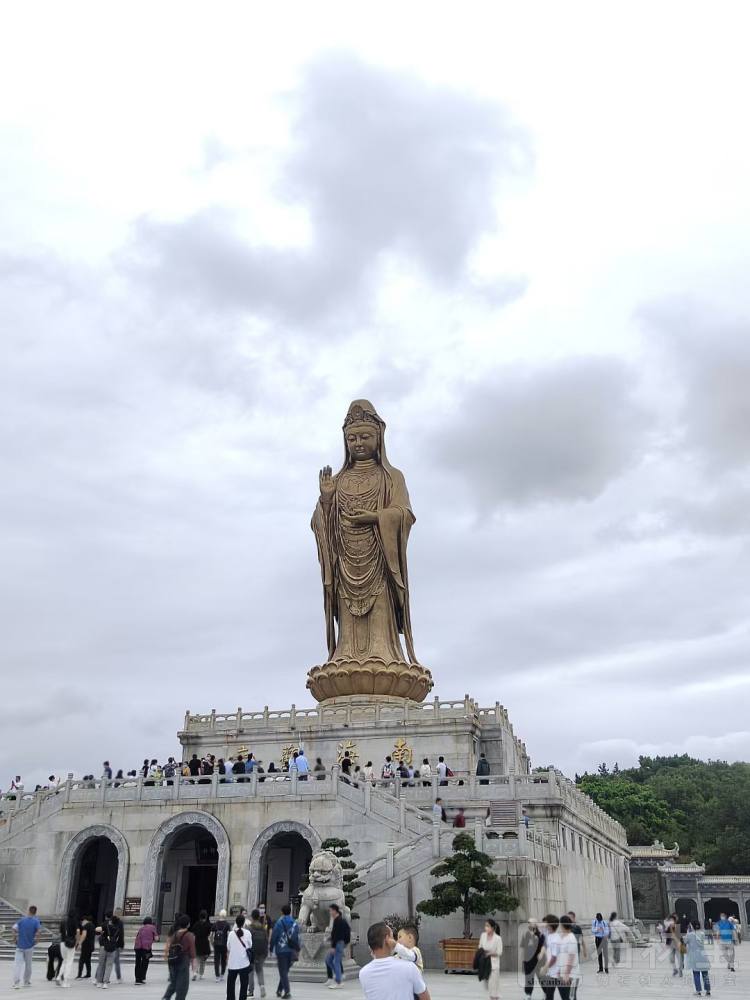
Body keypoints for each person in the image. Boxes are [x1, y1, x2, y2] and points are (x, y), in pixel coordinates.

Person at [359, 922, 430, 1000]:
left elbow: (410, 956)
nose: (396, 941)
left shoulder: (363, 973)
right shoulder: (409, 967)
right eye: (393, 937)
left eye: (399, 937)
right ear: (387, 940)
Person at [270, 903, 300, 1000]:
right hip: (292, 951)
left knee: (283, 972)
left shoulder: (279, 923)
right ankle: (279, 990)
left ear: (282, 912)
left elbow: (274, 936)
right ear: (290, 912)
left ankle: (287, 992)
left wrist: (271, 948)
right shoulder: (295, 923)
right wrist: (298, 949)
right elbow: (297, 937)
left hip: (281, 950)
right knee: (285, 971)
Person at [164, 913, 196, 1000]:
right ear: (188, 924)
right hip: (183, 961)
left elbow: (169, 945)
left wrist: (166, 954)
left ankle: (166, 997)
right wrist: (194, 967)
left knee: (173, 983)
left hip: (173, 960)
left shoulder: (175, 934)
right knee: (183, 986)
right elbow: (192, 952)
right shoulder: (189, 935)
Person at [12, 904, 41, 989]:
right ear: (35, 912)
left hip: (20, 945)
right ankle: (26, 981)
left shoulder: (21, 920)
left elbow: (14, 928)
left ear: (29, 911)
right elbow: (39, 931)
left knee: (18, 965)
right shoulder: (36, 921)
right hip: (29, 946)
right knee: (28, 965)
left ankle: (16, 983)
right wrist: (37, 940)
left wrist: (15, 939)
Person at [226, 915, 252, 1000]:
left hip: (232, 962)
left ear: (236, 923)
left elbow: (228, 947)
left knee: (230, 984)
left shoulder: (231, 934)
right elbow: (250, 945)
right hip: (244, 962)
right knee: (244, 985)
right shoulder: (248, 933)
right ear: (244, 923)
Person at [325, 903, 350, 989]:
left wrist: (333, 946)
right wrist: (330, 938)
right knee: (328, 960)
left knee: (336, 961)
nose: (330, 913)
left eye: (330, 911)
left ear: (335, 911)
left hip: (338, 944)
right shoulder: (337, 920)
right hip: (338, 943)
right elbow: (336, 933)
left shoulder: (339, 920)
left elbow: (339, 935)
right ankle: (338, 975)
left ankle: (338, 981)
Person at [685, 919, 711, 997]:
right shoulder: (702, 933)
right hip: (703, 955)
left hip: (695, 957)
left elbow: (685, 942)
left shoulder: (689, 935)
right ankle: (708, 991)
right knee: (705, 974)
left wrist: (688, 932)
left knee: (696, 974)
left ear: (692, 926)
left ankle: (698, 991)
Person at [58, 908, 83, 987]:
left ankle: (59, 976)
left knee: (64, 960)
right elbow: (78, 931)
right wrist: (77, 942)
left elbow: (60, 932)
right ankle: (65, 981)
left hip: (63, 942)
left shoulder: (63, 921)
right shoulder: (74, 921)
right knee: (69, 962)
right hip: (70, 943)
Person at [520, 918, 545, 998]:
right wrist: (522, 960)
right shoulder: (525, 934)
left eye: (531, 923)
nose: (529, 924)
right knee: (528, 978)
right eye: (528, 923)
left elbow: (543, 946)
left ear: (535, 924)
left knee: (541, 978)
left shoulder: (540, 935)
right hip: (528, 961)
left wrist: (541, 954)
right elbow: (523, 947)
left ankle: (546, 992)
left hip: (538, 961)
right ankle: (528, 994)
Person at [95, 912, 120, 988]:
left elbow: (97, 929)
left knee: (101, 965)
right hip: (112, 948)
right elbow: (117, 939)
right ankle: (105, 983)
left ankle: (99, 982)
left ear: (111, 921)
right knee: (109, 966)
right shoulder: (118, 929)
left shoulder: (106, 926)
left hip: (104, 947)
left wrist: (101, 932)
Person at [248, 909, 269, 999]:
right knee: (259, 970)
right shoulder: (263, 928)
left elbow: (247, 941)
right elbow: (266, 940)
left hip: (252, 952)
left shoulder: (250, 928)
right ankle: (262, 987)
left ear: (252, 917)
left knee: (251, 971)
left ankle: (251, 991)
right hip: (262, 952)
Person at [134, 916, 159, 984]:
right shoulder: (153, 927)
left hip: (137, 947)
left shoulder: (141, 928)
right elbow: (156, 938)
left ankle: (137, 979)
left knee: (138, 962)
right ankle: (142, 978)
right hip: (147, 948)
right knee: (145, 962)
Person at [191, 910, 212, 980]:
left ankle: (195, 972)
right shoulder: (208, 925)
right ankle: (201, 974)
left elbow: (193, 933)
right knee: (203, 960)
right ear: (206, 916)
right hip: (205, 943)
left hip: (197, 942)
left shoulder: (196, 924)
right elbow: (209, 934)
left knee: (197, 959)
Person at [212, 909, 230, 982]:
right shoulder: (227, 924)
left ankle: (217, 976)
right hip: (224, 944)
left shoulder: (215, 924)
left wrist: (212, 943)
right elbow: (229, 935)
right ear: (225, 915)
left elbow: (211, 935)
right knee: (223, 960)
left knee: (216, 960)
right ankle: (222, 974)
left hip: (216, 944)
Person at [77, 913, 96, 978]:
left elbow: (84, 935)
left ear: (85, 920)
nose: (82, 923)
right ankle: (88, 973)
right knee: (88, 960)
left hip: (86, 945)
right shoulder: (93, 925)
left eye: (82, 921)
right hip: (91, 945)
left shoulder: (86, 926)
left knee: (81, 960)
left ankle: (79, 975)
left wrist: (79, 943)